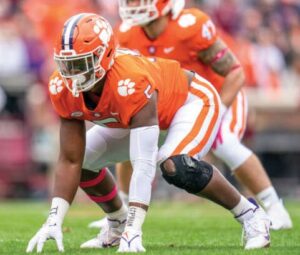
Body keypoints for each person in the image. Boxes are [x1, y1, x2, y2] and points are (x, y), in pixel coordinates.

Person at [26, 13, 271, 253]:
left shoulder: (130, 80)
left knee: (176, 165)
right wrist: (54, 220)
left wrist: (136, 230)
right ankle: (117, 222)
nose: (73, 73)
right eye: (67, 64)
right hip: (141, 116)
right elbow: (70, 159)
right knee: (83, 162)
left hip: (189, 102)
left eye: (81, 63)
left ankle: (251, 215)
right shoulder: (62, 86)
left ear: (105, 55)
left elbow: (143, 164)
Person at [88, 0, 292, 230]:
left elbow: (234, 72)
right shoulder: (125, 33)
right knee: (129, 129)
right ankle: (122, 208)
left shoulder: (190, 26)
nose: (136, 4)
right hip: (174, 104)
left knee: (223, 142)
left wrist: (220, 112)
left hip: (216, 95)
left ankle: (275, 208)